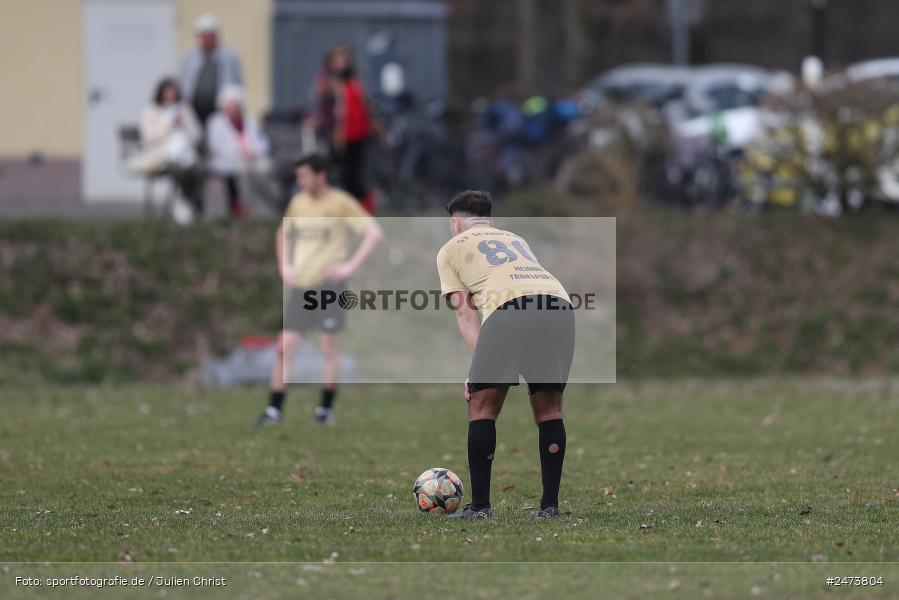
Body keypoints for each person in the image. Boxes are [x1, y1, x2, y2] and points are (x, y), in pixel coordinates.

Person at [436, 191, 575, 520]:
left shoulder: (451, 249)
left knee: (482, 404)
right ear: (490, 222)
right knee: (549, 408)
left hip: (510, 307)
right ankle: (549, 506)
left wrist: (478, 370)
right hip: (558, 304)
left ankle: (480, 507)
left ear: (455, 222)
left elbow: (466, 315)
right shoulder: (515, 238)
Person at [258, 154, 383, 426]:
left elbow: (373, 233)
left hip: (329, 286)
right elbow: (283, 234)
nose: (300, 181)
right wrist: (285, 266)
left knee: (328, 348)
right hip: (302, 287)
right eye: (298, 176)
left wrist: (349, 266)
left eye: (304, 175)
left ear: (321, 175)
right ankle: (274, 410)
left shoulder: (341, 202)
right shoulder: (298, 202)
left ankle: (324, 410)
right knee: (283, 348)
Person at [313, 45, 379, 213]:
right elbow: (324, 100)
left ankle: (363, 211)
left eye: (345, 59)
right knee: (342, 175)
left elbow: (366, 105)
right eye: (338, 59)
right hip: (339, 137)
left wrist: (377, 127)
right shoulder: (327, 80)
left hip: (360, 135)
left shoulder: (355, 80)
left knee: (358, 176)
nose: (343, 62)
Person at [135, 78, 204, 216]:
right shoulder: (151, 111)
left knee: (183, 151)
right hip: (161, 154)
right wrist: (169, 126)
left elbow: (197, 135)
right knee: (184, 164)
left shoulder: (184, 109)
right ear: (160, 93)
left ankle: (183, 203)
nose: (170, 96)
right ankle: (182, 204)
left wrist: (183, 123)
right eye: (167, 92)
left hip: (185, 152)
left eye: (173, 92)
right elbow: (148, 137)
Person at [206, 85, 270, 219]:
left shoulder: (249, 121)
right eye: (230, 104)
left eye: (235, 104)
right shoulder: (216, 122)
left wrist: (253, 151)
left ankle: (261, 207)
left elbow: (261, 142)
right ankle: (242, 206)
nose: (233, 108)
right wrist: (241, 152)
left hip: (251, 159)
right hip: (228, 161)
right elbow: (218, 146)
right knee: (242, 172)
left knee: (264, 170)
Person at [180, 13, 243, 127]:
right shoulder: (190, 57)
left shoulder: (229, 56)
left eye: (209, 35)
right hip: (194, 108)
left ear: (216, 36)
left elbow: (237, 83)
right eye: (202, 36)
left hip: (220, 109)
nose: (206, 39)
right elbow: (184, 81)